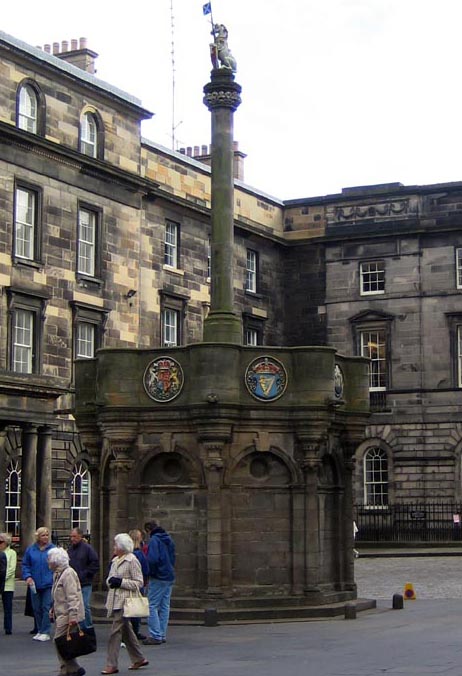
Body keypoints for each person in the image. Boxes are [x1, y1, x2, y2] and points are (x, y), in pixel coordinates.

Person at [101, 533, 149, 674]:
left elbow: (139, 582)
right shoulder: (115, 560)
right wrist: (110, 582)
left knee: (115, 633)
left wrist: (121, 582)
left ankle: (112, 664)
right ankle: (138, 658)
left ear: (122, 547)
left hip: (126, 600)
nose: (114, 547)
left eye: (116, 545)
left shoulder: (132, 560)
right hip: (115, 599)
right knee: (126, 631)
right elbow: (110, 578)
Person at [48, 547, 86, 676]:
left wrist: (73, 616)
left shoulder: (68, 573)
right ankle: (74, 668)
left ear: (55, 562)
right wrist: (53, 608)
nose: (48, 563)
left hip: (68, 614)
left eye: (49, 560)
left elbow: (72, 596)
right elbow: (58, 595)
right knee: (65, 642)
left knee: (59, 641)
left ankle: (65, 669)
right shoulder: (58, 574)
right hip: (61, 613)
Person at [143, 520, 176, 646]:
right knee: (164, 606)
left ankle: (155, 635)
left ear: (148, 530)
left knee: (151, 605)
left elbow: (152, 559)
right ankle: (161, 633)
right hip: (169, 575)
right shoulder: (168, 539)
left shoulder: (155, 540)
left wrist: (150, 572)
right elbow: (173, 557)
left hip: (158, 576)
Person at [22, 526, 55, 641]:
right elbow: (25, 565)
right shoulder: (31, 550)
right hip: (34, 583)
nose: (46, 537)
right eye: (43, 535)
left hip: (48, 583)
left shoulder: (53, 549)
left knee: (46, 607)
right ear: (38, 537)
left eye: (47, 535)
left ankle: (45, 631)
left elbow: (57, 564)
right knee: (36, 608)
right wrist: (27, 576)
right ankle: (40, 630)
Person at [68, 528, 100, 628]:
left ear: (80, 536)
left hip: (85, 582)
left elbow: (95, 564)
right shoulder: (70, 549)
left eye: (74, 536)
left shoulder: (88, 549)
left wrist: (84, 574)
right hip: (73, 582)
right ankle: (79, 626)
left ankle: (88, 626)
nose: (72, 539)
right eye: (71, 536)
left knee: (85, 605)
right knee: (75, 606)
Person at [128, 529, 149, 641]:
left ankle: (129, 633)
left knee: (127, 611)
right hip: (138, 584)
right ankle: (134, 632)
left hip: (126, 585)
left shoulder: (126, 554)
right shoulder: (139, 554)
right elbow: (146, 570)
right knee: (136, 610)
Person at [0, 533, 17, 634]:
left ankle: (8, 627)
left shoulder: (12, 553)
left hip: (7, 584)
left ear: (6, 543)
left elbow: (11, 569)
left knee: (7, 607)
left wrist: (2, 578)